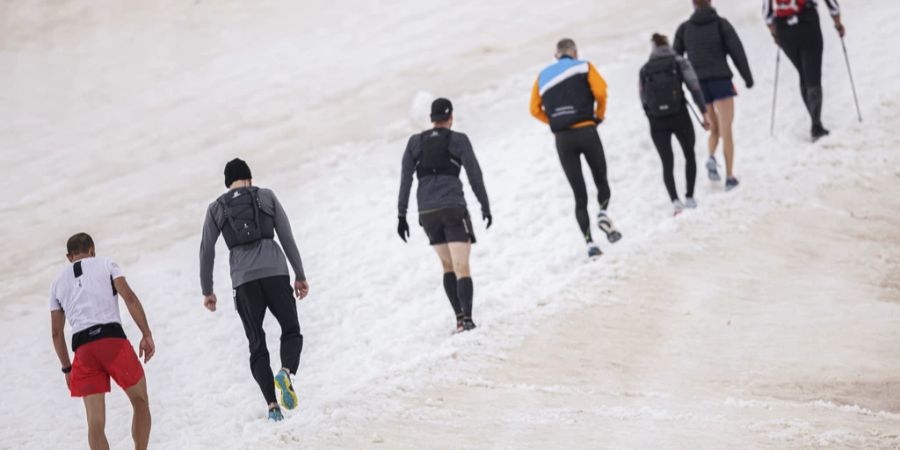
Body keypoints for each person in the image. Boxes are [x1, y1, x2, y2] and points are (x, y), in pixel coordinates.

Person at [199, 158, 310, 422]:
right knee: (290, 329)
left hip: (244, 281)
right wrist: (300, 275)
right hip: (275, 270)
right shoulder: (265, 196)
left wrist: (208, 290)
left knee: (256, 342)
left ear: (228, 184)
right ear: (249, 178)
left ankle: (272, 407)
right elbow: (286, 236)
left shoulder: (216, 208)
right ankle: (285, 371)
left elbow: (206, 251)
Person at [49, 233, 155, 450]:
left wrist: (67, 369)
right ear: (92, 250)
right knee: (140, 402)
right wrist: (146, 333)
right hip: (113, 343)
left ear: (69, 257)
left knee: (95, 424)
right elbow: (129, 297)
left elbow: (56, 333)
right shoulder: (106, 264)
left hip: (84, 352)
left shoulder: (57, 283)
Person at [397, 98, 491, 333]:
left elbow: (406, 179)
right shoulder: (459, 140)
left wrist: (402, 215)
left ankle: (459, 319)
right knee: (461, 266)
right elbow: (474, 175)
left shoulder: (414, 142)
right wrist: (484, 205)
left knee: (447, 265)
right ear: (451, 118)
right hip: (452, 208)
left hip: (427, 212)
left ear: (431, 118)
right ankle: (467, 320)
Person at [530, 38, 622, 258]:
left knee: (579, 194)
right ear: (574, 52)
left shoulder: (542, 76)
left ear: (557, 55)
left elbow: (534, 109)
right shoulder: (584, 66)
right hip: (586, 131)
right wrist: (597, 116)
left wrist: (553, 121)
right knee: (601, 179)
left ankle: (590, 244)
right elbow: (601, 92)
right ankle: (602, 212)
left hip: (563, 139)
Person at [674, 0, 754, 191]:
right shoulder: (721, 24)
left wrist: (678, 87)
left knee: (714, 129)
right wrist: (747, 77)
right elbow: (737, 51)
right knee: (727, 130)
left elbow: (675, 60)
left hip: (699, 87)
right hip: (721, 82)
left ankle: (711, 157)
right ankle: (730, 176)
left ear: (693, 4)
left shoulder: (684, 29)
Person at [640, 33, 711, 215]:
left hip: (657, 121)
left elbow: (643, 99)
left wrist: (652, 116)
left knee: (667, 162)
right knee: (689, 154)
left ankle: (674, 201)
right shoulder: (678, 61)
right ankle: (689, 196)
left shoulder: (645, 69)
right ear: (668, 44)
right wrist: (704, 113)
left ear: (653, 48)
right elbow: (694, 87)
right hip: (680, 115)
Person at [764, 0, 845, 141]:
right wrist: (838, 24)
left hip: (785, 31)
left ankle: (815, 122)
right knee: (812, 74)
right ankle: (816, 125)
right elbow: (832, 4)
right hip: (808, 24)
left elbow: (767, 14)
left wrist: (775, 35)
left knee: (803, 73)